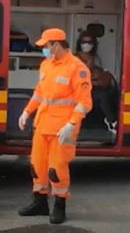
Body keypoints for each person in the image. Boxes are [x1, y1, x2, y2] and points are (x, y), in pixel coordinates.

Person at [18, 28, 92, 224]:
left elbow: (84, 102)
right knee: (37, 166)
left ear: (56, 45)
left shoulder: (77, 68)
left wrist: (71, 123)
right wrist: (27, 111)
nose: (44, 49)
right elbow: (39, 93)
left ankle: (60, 207)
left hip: (62, 128)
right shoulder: (46, 65)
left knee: (56, 169)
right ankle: (40, 202)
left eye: (46, 45)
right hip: (42, 125)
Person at [74, 32, 117, 133]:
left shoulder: (93, 57)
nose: (86, 44)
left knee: (113, 92)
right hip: (80, 89)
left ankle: (112, 120)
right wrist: (94, 81)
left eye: (89, 42)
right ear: (79, 43)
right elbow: (81, 76)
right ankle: (112, 121)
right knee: (101, 96)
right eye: (84, 42)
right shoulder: (75, 58)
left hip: (90, 87)